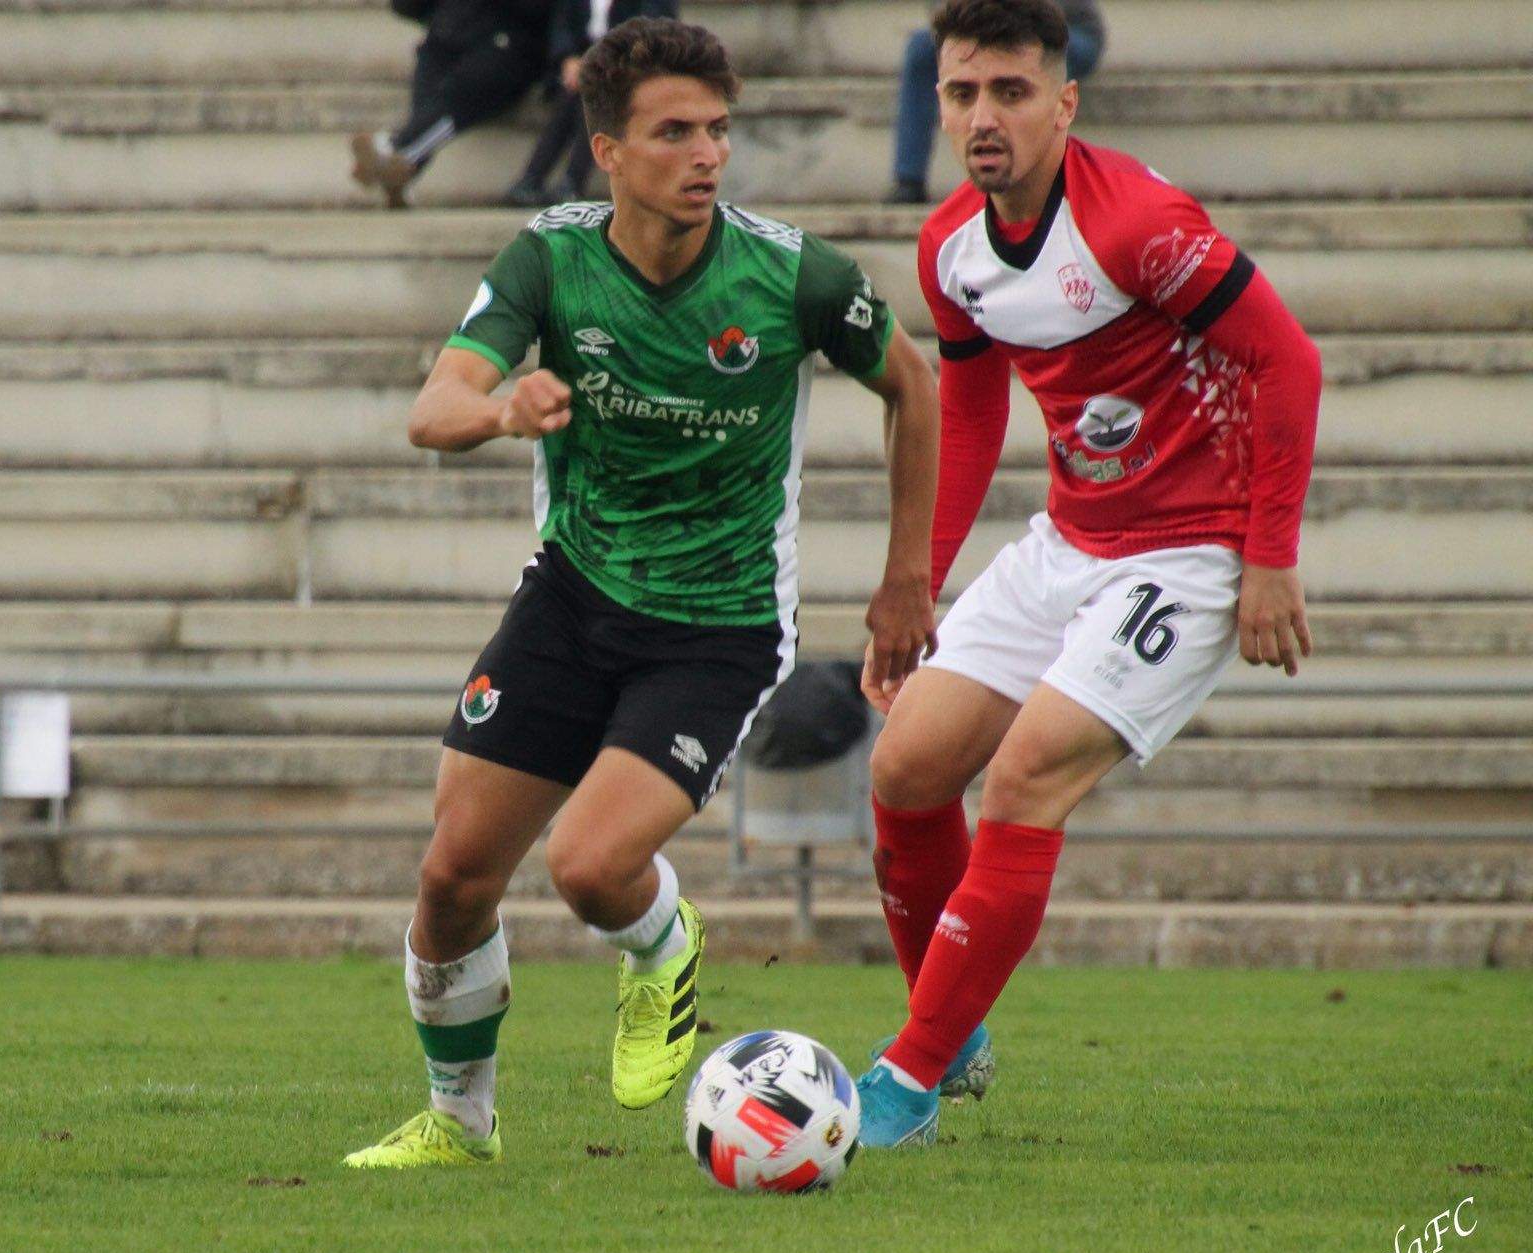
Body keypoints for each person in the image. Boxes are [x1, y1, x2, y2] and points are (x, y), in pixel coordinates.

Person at [343, 16, 941, 1169]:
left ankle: (661, 952)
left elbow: (911, 386)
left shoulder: (790, 275)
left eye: (717, 129)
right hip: (571, 595)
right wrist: (502, 407)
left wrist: (903, 581)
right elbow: (434, 409)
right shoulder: (550, 258)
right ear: (607, 149)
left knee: (589, 865)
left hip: (714, 625)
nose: (706, 154)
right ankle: (459, 1121)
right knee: (450, 876)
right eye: (674, 132)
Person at [852, 0, 1322, 1147]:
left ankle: (903, 1081)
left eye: (1008, 92)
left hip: (1192, 547)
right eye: (960, 92)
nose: (979, 116)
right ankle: (949, 1029)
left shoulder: (1138, 223)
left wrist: (1266, 558)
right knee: (906, 769)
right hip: (1067, 539)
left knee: (1019, 783)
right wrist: (916, 577)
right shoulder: (949, 244)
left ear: (1063, 103)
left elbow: (1285, 361)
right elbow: (964, 414)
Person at [888, 0, 1103, 204]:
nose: (981, 121)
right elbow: (945, 15)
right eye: (962, 96)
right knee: (921, 47)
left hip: (1068, 28)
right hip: (983, 28)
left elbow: (1047, 16)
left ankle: (1049, 181)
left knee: (1033, 56)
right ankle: (909, 178)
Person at [352, 0, 554, 208]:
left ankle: (396, 152)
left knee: (459, 94)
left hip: (506, 44)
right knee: (430, 84)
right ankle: (398, 166)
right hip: (448, 32)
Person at [505, 0, 680, 207]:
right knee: (572, 99)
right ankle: (532, 179)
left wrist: (599, 65)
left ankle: (571, 181)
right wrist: (568, 59)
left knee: (593, 99)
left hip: (630, 69)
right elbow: (563, 28)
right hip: (583, 68)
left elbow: (651, 35)